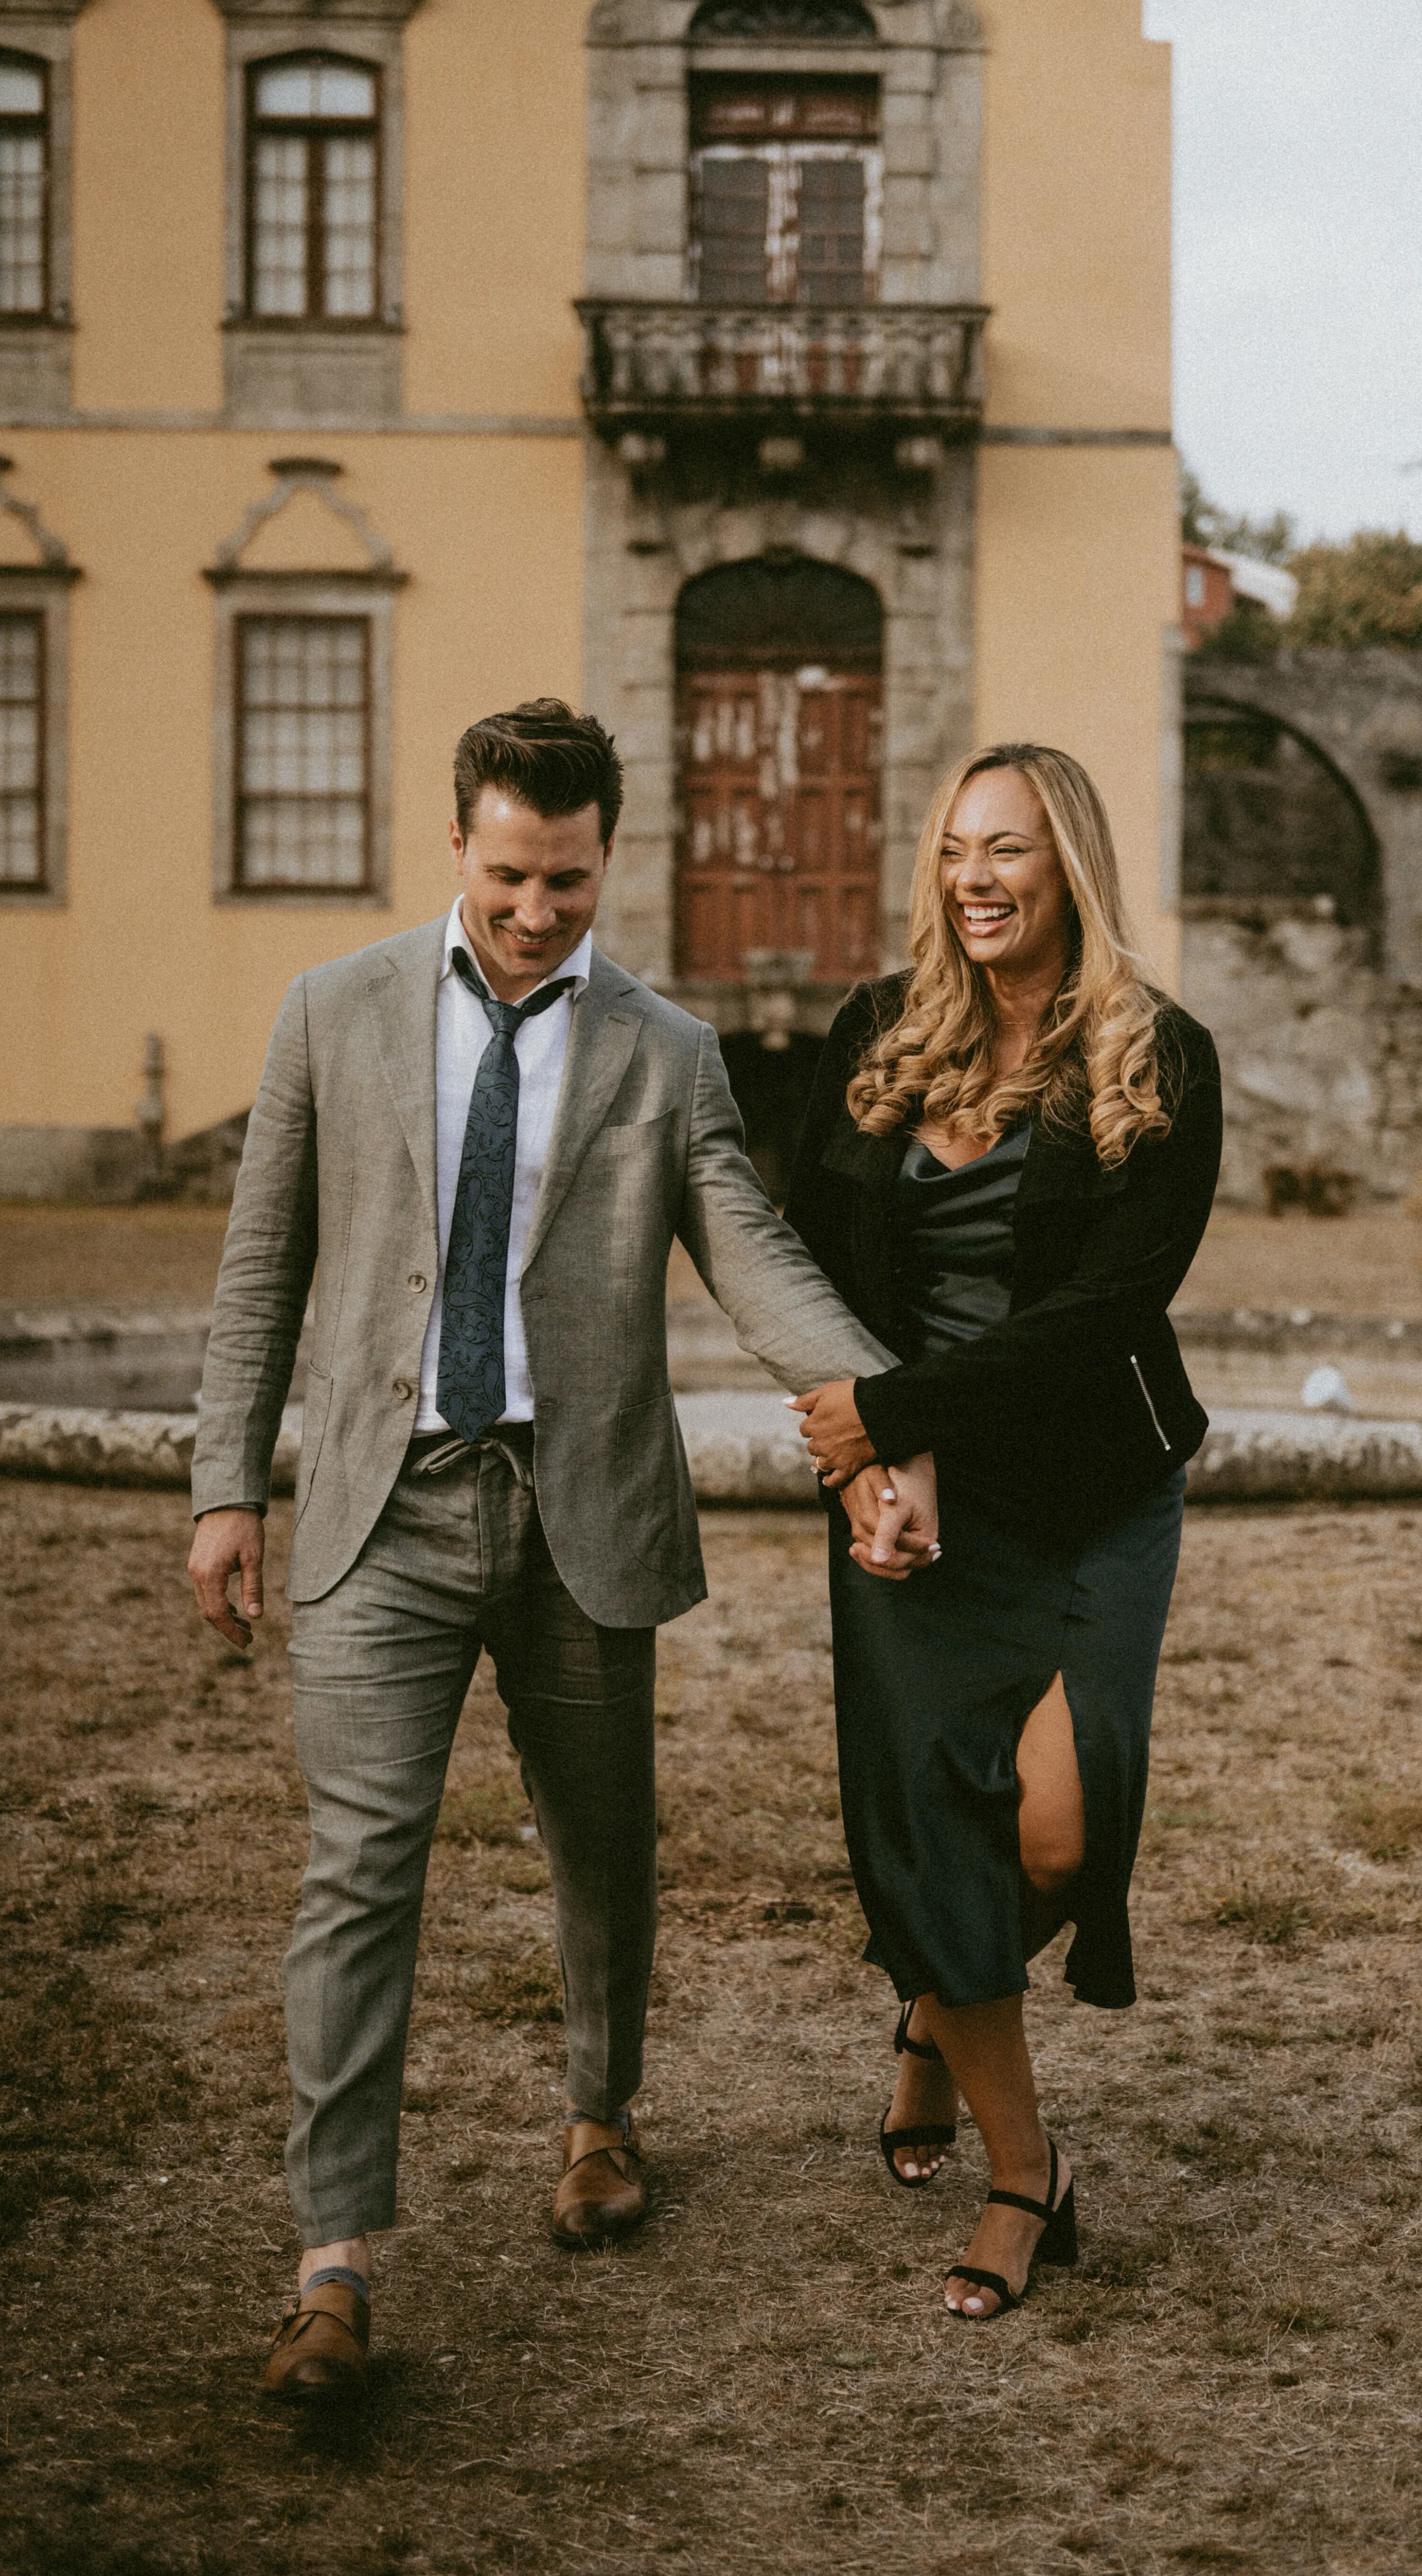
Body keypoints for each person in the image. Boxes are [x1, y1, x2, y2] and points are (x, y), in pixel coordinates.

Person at [188, 700, 937, 2397]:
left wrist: (884, 1413)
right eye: (512, 875)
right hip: (382, 1508)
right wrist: (227, 1483)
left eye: (572, 882)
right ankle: (332, 2262)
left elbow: (754, 1259)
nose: (538, 912)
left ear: (612, 859)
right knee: (359, 1870)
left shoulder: (668, 1053)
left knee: (602, 1845)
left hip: (581, 1507)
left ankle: (602, 2116)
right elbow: (260, 1266)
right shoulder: (331, 1012)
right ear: (458, 842)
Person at [786, 742, 1221, 2321]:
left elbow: (1106, 1309)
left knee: (1059, 1831)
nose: (975, 877)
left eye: (1010, 849)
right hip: (912, 1500)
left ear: (1070, 865)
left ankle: (932, 1999)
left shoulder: (1161, 1056)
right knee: (930, 1822)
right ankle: (1026, 2170)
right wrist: (874, 1464)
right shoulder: (877, 1031)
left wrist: (897, 1415)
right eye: (957, 848)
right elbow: (806, 1254)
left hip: (1094, 1489)